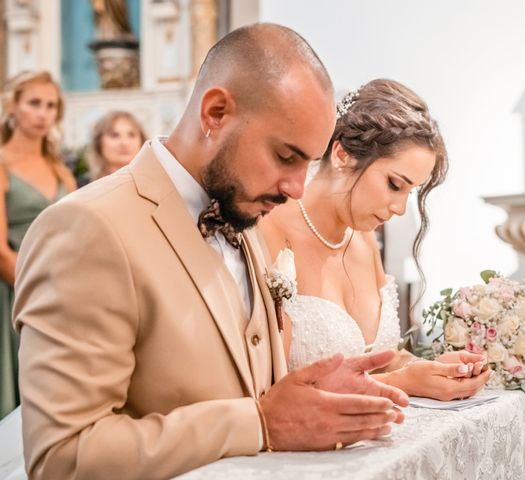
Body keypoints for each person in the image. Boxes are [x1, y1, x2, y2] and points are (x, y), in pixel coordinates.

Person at [13, 24, 409, 480]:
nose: (296, 188)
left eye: (308, 163)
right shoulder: (87, 228)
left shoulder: (244, 212)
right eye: (285, 156)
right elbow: (64, 457)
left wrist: (311, 394)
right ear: (216, 112)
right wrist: (260, 423)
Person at [259, 79, 490, 401]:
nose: (398, 208)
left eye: (410, 193)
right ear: (342, 154)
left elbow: (380, 361)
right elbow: (271, 386)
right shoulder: (269, 231)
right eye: (395, 185)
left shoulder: (364, 240)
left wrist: (434, 370)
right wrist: (402, 382)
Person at [0, 71, 76, 419]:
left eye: (50, 106)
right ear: (12, 107)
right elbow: (0, 252)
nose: (43, 113)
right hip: (14, 291)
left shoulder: (60, 171)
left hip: (60, 291)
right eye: (34, 103)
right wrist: (43, 295)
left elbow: (79, 237)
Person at [88, 110, 146, 180]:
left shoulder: (158, 183)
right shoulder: (81, 188)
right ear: (99, 142)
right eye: (114, 135)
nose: (124, 142)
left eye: (131, 135)